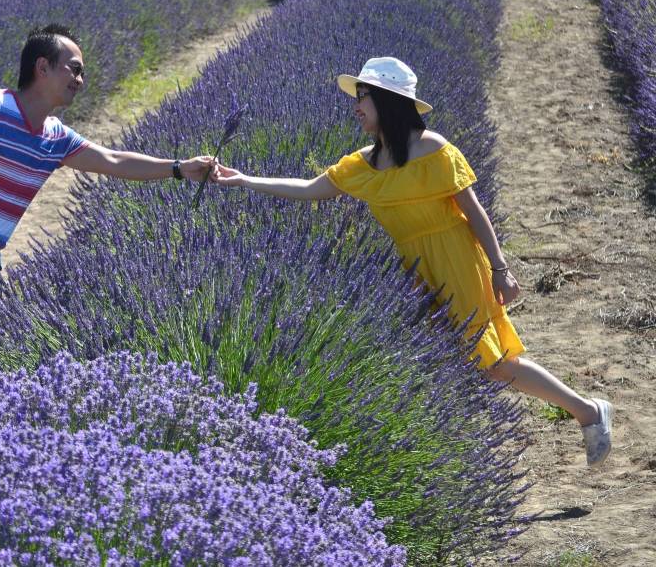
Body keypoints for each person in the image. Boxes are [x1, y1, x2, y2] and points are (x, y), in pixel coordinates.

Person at [210, 56, 614, 467]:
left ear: (386, 100)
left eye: (361, 96)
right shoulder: (362, 164)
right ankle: (453, 455)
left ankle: (587, 411)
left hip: (456, 259)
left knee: (491, 361)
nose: (355, 106)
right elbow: (310, 189)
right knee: (439, 360)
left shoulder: (434, 149)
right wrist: (244, 179)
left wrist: (500, 268)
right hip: (415, 270)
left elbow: (474, 212)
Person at [0, 24, 213, 363]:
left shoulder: (56, 137)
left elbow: (113, 160)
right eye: (74, 69)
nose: (80, 81)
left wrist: (178, 168)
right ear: (42, 67)